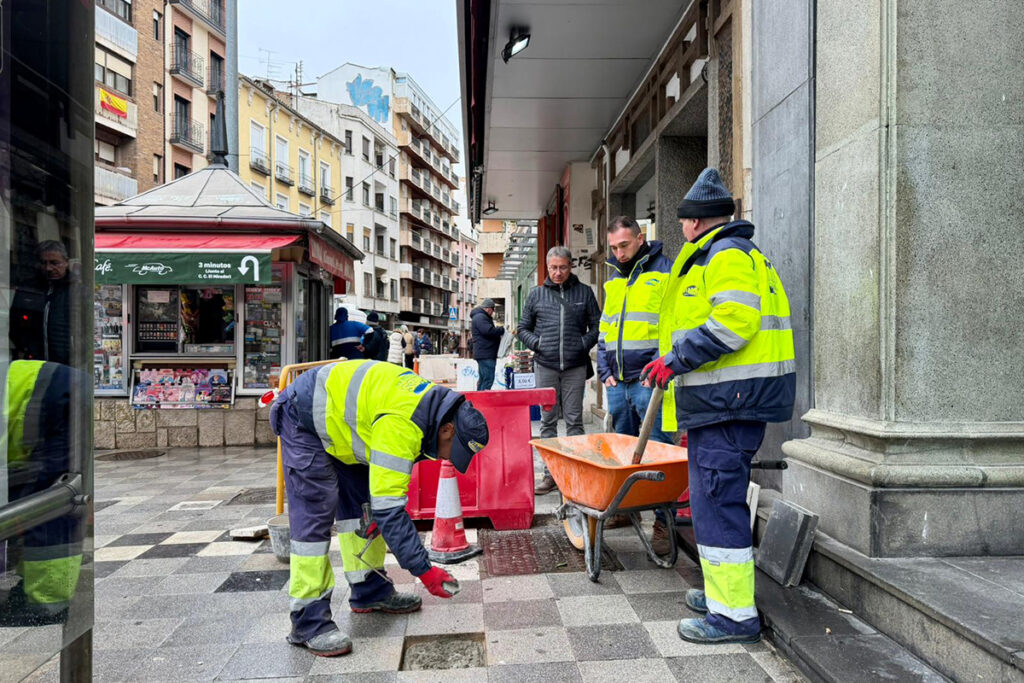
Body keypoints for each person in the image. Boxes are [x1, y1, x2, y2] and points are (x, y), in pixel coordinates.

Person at [640, 168, 795, 645]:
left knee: (718, 504)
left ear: (695, 222)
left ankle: (732, 618)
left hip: (729, 405)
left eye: (685, 220)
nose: (682, 228)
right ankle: (721, 597)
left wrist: (677, 359)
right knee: (711, 504)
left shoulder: (725, 255)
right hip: (726, 404)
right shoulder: (735, 253)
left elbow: (734, 322)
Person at [270, 360, 490, 656]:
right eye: (454, 450)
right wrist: (424, 571)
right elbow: (390, 510)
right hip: (303, 418)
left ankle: (369, 590)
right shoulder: (403, 425)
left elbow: (384, 503)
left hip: (343, 425)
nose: (445, 458)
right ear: (447, 429)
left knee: (363, 507)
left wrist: (382, 515)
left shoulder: (429, 411)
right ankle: (308, 622)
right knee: (315, 511)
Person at [596, 216, 676, 551]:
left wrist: (658, 370)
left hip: (649, 382)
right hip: (619, 383)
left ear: (641, 238)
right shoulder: (614, 280)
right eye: (613, 247)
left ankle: (663, 523)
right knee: (623, 452)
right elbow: (605, 329)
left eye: (624, 245)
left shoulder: (666, 272)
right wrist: (603, 370)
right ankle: (624, 511)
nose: (619, 253)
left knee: (658, 453)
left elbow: (673, 326)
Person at [0, 360, 85, 627]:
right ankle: (35, 589)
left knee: (47, 505)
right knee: (41, 500)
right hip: (53, 392)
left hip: (53, 402)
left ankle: (46, 605)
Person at [517, 246, 601, 495]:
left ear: (570, 266)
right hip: (546, 366)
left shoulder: (584, 293)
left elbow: (598, 325)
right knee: (547, 422)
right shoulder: (536, 295)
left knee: (575, 421)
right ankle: (550, 474)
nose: (558, 272)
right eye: (553, 267)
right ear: (547, 267)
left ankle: (576, 473)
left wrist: (582, 344)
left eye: (562, 267)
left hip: (575, 366)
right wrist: (539, 344)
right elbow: (523, 329)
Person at [9, 240, 75, 365]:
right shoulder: (28, 289)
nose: (48, 268)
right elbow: (15, 325)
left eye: (54, 263)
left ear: (66, 262)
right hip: (33, 363)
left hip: (66, 366)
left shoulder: (76, 291)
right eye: (44, 263)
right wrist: (26, 348)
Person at [471, 298, 504, 391]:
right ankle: (482, 402)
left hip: (485, 353)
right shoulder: (480, 317)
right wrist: (500, 330)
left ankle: (479, 401)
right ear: (489, 308)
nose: (492, 312)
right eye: (493, 310)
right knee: (488, 379)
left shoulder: (479, 317)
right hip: (486, 353)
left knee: (483, 379)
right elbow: (488, 331)